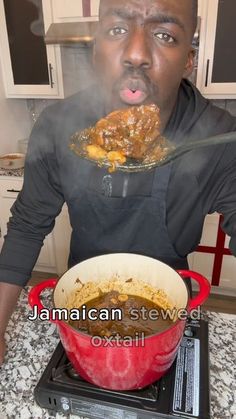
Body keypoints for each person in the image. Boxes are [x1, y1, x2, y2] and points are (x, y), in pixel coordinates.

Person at [0, 0, 236, 365]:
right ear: (97, 52)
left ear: (189, 60)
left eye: (164, 34)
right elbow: (28, 226)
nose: (137, 54)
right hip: (81, 306)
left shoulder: (219, 136)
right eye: (117, 30)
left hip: (168, 310)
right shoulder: (58, 125)